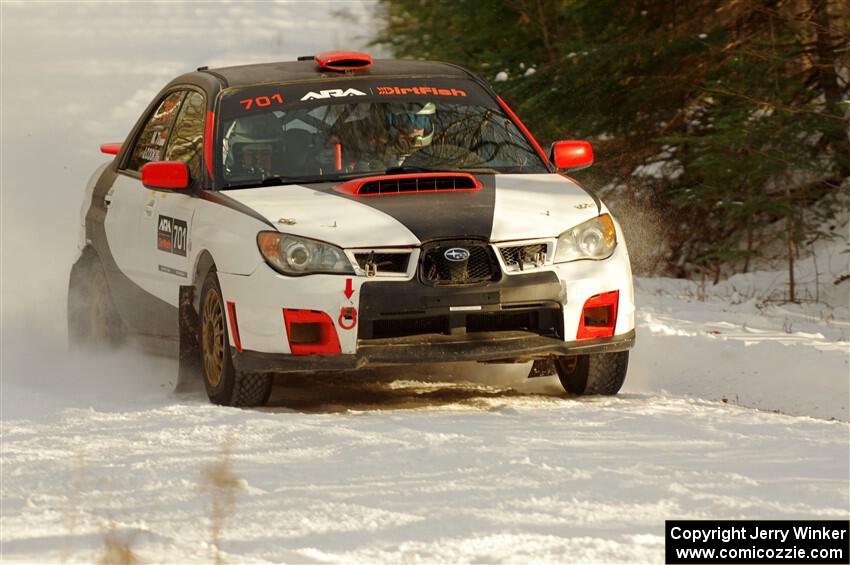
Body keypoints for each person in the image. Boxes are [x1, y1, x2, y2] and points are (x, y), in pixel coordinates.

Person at [222, 114, 281, 180]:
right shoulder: (228, 185)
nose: (259, 162)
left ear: (274, 156)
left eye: (265, 154)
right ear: (240, 157)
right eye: (251, 154)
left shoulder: (286, 183)